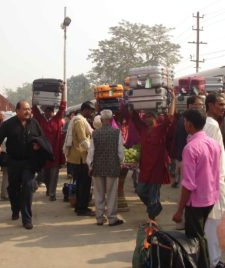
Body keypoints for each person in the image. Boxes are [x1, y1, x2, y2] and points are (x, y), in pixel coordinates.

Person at [0, 100, 52, 230]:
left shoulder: (34, 123)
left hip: (29, 162)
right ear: (17, 111)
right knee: (13, 189)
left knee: (28, 186)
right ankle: (15, 208)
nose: (28, 111)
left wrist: (38, 145)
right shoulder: (9, 124)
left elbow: (43, 138)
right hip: (13, 162)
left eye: (29, 109)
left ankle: (27, 219)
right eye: (25, 109)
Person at [173, 109, 221, 268]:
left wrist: (179, 211)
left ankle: (204, 264)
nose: (183, 124)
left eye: (185, 121)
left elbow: (188, 184)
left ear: (189, 124)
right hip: (211, 198)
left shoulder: (191, 148)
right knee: (201, 236)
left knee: (195, 240)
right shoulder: (213, 143)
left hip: (197, 202)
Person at [128, 90, 175, 220]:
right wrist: (130, 99)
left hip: (157, 168)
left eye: (149, 116)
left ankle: (152, 219)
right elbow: (133, 115)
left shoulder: (161, 129)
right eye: (146, 116)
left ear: (155, 117)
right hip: (145, 168)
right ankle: (155, 208)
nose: (146, 118)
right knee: (140, 191)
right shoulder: (142, 129)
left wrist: (174, 99)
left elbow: (170, 117)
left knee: (154, 195)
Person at [87, 109, 124, 226]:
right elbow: (120, 151)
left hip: (98, 167)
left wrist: (90, 165)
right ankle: (112, 218)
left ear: (102, 120)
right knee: (112, 193)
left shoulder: (95, 133)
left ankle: (99, 218)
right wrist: (120, 162)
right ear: (111, 119)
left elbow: (91, 151)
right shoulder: (117, 132)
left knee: (99, 193)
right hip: (112, 167)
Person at [32, 84, 66, 201]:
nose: (49, 113)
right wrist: (33, 93)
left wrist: (63, 91)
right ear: (45, 112)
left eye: (51, 111)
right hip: (43, 153)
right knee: (44, 175)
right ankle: (48, 189)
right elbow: (34, 109)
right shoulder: (40, 120)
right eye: (47, 111)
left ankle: (52, 194)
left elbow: (62, 107)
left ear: (53, 112)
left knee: (54, 174)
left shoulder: (57, 120)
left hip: (55, 152)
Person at [203, 93, 225, 268]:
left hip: (216, 180)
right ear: (210, 105)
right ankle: (214, 260)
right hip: (215, 180)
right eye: (220, 104)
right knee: (214, 221)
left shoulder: (211, 123)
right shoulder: (211, 125)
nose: (223, 107)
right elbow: (209, 157)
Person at [63, 101, 95, 216]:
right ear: (85, 109)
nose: (91, 114)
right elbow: (83, 140)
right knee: (84, 185)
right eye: (91, 111)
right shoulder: (80, 121)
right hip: (80, 157)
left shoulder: (78, 120)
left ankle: (80, 207)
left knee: (81, 184)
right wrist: (93, 151)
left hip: (77, 157)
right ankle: (82, 208)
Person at [173, 95, 205, 188]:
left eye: (202, 105)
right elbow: (181, 139)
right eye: (198, 104)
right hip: (186, 158)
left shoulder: (194, 119)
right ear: (190, 106)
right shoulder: (185, 120)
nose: (201, 107)